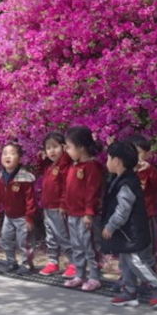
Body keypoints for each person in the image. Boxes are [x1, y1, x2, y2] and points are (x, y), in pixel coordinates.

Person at [102, 140, 157, 308]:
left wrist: (111, 225)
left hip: (132, 232)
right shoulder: (120, 179)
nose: (107, 162)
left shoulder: (127, 183)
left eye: (108, 158)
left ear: (116, 161)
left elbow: (123, 210)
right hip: (127, 233)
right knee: (126, 262)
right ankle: (130, 291)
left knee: (136, 262)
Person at [62, 125, 104, 291]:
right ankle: (80, 274)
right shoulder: (74, 165)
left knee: (90, 246)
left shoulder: (92, 166)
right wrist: (64, 205)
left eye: (69, 147)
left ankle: (95, 277)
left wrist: (89, 212)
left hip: (86, 216)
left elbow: (93, 192)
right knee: (77, 246)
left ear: (80, 147)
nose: (66, 150)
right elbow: (68, 188)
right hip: (73, 214)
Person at [0, 142, 37, 273]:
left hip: (22, 217)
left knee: (25, 241)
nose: (7, 156)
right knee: (6, 239)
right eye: (4, 153)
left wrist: (29, 217)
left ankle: (27, 263)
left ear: (20, 159)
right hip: (8, 216)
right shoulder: (1, 176)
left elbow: (30, 200)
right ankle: (11, 261)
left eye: (12, 153)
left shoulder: (24, 178)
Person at [39, 131, 75, 277]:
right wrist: (41, 159)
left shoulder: (64, 166)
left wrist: (63, 204)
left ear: (63, 147)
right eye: (48, 148)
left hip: (59, 209)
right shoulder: (50, 167)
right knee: (51, 238)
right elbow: (40, 167)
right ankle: (53, 262)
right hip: (47, 209)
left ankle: (74, 263)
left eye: (55, 147)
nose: (51, 151)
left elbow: (67, 187)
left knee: (64, 237)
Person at [129, 135, 157, 262]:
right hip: (129, 218)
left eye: (138, 153)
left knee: (147, 250)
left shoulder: (149, 171)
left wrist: (150, 170)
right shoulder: (125, 171)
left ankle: (149, 272)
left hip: (146, 216)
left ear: (147, 154)